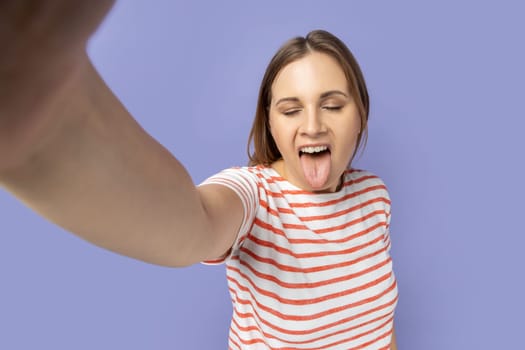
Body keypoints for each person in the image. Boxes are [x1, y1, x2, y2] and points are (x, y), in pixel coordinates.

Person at [0, 1, 398, 349]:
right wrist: (48, 127)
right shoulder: (255, 195)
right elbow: (198, 221)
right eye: (291, 110)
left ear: (361, 115)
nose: (312, 126)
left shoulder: (373, 195)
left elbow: (379, 328)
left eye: (332, 105)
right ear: (271, 125)